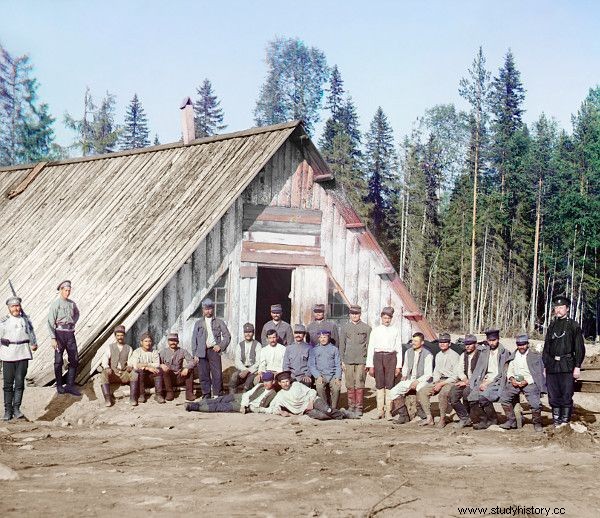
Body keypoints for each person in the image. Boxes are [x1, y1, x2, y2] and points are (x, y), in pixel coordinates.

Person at [542, 295, 586, 427]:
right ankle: (556, 422)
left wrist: (577, 365)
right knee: (553, 395)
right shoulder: (552, 326)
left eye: (561, 307)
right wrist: (546, 365)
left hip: (567, 365)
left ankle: (565, 422)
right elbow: (546, 347)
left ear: (567, 309)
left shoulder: (573, 325)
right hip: (552, 366)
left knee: (566, 394)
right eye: (556, 307)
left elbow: (579, 347)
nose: (558, 310)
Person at [499, 334, 546, 432]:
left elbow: (538, 373)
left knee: (535, 404)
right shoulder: (514, 355)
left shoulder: (535, 356)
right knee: (504, 398)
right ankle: (511, 420)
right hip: (515, 382)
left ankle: (537, 423)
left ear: (527, 344)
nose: (521, 347)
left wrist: (526, 381)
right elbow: (510, 369)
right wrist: (512, 379)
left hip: (529, 382)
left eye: (523, 344)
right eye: (519, 345)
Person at [265, 371, 356, 420]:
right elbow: (272, 407)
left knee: (326, 410)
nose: (285, 384)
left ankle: (343, 414)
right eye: (283, 382)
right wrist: (281, 412)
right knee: (322, 416)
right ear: (279, 383)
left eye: (287, 381)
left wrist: (311, 402)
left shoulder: (296, 385)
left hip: (313, 400)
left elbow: (311, 391)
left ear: (290, 381)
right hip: (305, 410)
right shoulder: (280, 395)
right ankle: (339, 413)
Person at [1, 297, 37, 420]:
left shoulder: (25, 320)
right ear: (9, 308)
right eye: (13, 306)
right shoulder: (4, 322)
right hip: (8, 354)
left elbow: (31, 332)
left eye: (17, 306)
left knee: (20, 383)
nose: (16, 308)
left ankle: (16, 409)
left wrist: (33, 343)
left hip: (22, 354)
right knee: (8, 384)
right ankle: (7, 411)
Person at [468, 328, 511, 430]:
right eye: (490, 340)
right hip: (484, 380)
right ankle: (483, 420)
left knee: (484, 397)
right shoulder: (484, 352)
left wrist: (488, 383)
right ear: (487, 340)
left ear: (498, 339)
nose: (492, 343)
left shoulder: (505, 353)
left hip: (497, 382)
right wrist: (475, 382)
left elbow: (503, 373)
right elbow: (478, 369)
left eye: (494, 340)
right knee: (472, 397)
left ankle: (493, 419)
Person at [366, 307, 402, 419]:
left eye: (388, 318)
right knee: (380, 384)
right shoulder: (376, 330)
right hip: (378, 357)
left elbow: (399, 348)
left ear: (391, 319)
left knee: (389, 384)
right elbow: (371, 347)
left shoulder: (395, 330)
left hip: (391, 358)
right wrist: (370, 365)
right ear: (381, 318)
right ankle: (379, 411)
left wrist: (398, 366)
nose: (386, 320)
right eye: (384, 318)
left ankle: (388, 411)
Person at [389, 332, 433, 425]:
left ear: (422, 343)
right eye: (413, 340)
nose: (413, 343)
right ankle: (403, 415)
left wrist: (417, 381)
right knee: (393, 391)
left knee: (421, 390)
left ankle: (422, 415)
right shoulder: (408, 352)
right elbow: (405, 366)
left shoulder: (428, 354)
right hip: (410, 379)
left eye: (416, 341)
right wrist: (404, 375)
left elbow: (428, 374)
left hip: (423, 380)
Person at [416, 333, 459, 428]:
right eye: (441, 342)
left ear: (449, 343)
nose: (442, 344)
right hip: (440, 380)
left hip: (451, 381)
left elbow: (455, 376)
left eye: (445, 342)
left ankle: (442, 418)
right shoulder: (439, 355)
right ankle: (429, 418)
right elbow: (437, 371)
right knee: (422, 391)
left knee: (443, 394)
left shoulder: (454, 355)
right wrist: (436, 382)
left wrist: (441, 384)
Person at [191, 298, 231, 399]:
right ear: (203, 310)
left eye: (210, 308)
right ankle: (206, 394)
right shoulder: (198, 323)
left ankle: (218, 394)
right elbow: (194, 339)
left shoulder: (219, 322)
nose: (208, 311)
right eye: (206, 309)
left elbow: (227, 336)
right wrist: (195, 354)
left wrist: (220, 346)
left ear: (213, 309)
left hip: (214, 351)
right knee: (203, 374)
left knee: (217, 373)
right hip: (201, 351)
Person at [185, 371, 277, 413]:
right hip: (242, 398)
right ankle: (197, 403)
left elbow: (269, 409)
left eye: (268, 381)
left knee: (220, 407)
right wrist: (243, 404)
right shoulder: (259, 385)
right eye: (264, 381)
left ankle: (193, 407)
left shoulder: (273, 394)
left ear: (273, 382)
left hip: (248, 406)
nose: (265, 383)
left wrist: (247, 407)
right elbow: (248, 394)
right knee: (220, 399)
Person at [48, 280, 81, 396]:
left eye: (69, 290)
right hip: (59, 334)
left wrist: (73, 322)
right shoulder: (56, 304)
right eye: (65, 290)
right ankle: (59, 385)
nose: (67, 292)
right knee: (58, 361)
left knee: (74, 359)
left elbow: (77, 314)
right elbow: (50, 322)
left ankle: (70, 385)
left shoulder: (72, 304)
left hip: (70, 334)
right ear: (61, 290)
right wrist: (53, 338)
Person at [339, 305, 371, 416]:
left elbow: (370, 346)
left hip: (361, 360)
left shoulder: (366, 328)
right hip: (348, 360)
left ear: (360, 314)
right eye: (352, 314)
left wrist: (369, 361)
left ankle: (359, 408)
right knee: (349, 384)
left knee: (359, 383)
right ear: (349, 315)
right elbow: (342, 345)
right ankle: (351, 407)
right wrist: (342, 360)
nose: (354, 316)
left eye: (356, 314)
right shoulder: (345, 327)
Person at [449, 334, 480, 429]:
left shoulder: (481, 355)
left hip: (477, 382)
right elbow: (460, 370)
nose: (468, 346)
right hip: (465, 381)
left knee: (467, 393)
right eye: (466, 343)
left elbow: (481, 372)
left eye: (470, 344)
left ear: (476, 344)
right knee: (453, 394)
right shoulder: (464, 355)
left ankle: (474, 417)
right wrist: (464, 379)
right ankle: (464, 417)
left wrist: (468, 382)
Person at [99, 325, 133, 407]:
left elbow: (131, 361)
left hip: (124, 375)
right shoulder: (110, 347)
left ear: (124, 336)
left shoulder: (129, 348)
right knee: (103, 373)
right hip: (113, 374)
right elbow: (105, 359)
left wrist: (130, 366)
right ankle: (107, 399)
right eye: (118, 335)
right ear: (115, 336)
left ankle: (133, 397)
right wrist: (106, 367)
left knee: (135, 373)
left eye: (121, 335)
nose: (120, 337)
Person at [159, 332, 198, 402]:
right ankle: (169, 392)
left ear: (178, 342)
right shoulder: (163, 352)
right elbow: (157, 362)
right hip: (168, 378)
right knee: (164, 371)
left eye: (175, 341)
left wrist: (186, 368)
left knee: (190, 370)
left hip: (179, 376)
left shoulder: (182, 351)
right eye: (171, 340)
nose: (173, 342)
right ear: (168, 342)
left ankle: (189, 394)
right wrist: (161, 365)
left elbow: (192, 361)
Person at [308, 330, 342, 408]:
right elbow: (312, 365)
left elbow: (338, 364)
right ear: (318, 339)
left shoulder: (334, 349)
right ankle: (325, 407)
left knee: (336, 388)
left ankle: (334, 408)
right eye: (321, 337)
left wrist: (337, 377)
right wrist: (318, 376)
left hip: (332, 375)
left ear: (328, 337)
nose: (323, 339)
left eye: (325, 337)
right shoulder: (314, 350)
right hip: (321, 375)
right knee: (319, 387)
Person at [129, 332, 164, 406]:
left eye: (150, 341)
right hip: (141, 378)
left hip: (151, 378)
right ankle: (142, 395)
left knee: (158, 370)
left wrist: (145, 365)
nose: (148, 343)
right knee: (140, 370)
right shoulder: (137, 352)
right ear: (141, 342)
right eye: (146, 341)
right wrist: (147, 367)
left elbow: (157, 364)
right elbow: (135, 365)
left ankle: (158, 395)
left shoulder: (154, 352)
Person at [229, 323, 262, 394]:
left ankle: (244, 401)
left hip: (253, 371)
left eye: (250, 332)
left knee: (247, 385)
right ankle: (231, 399)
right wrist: (244, 370)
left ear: (253, 333)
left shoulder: (257, 345)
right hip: (242, 369)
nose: (248, 334)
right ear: (244, 333)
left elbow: (258, 362)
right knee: (233, 378)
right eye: (246, 332)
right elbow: (237, 360)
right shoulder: (240, 345)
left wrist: (248, 371)